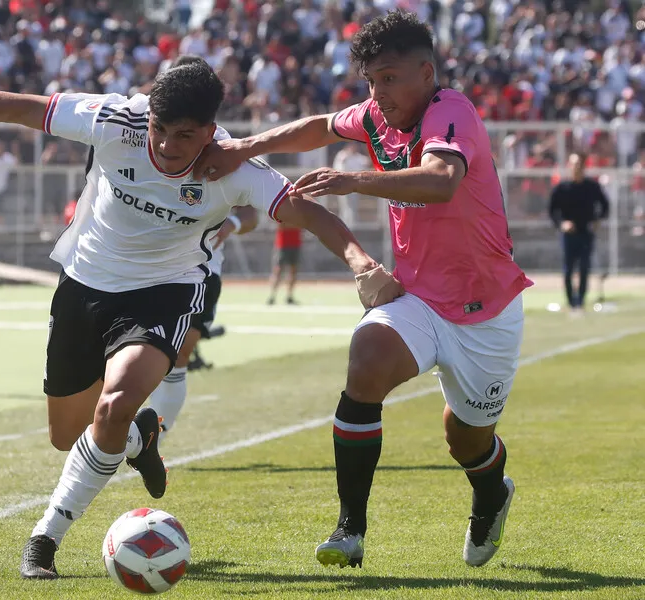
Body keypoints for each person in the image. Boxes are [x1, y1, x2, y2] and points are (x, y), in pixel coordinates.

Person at [0, 60, 400, 580]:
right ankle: (137, 440)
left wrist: (364, 266)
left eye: (185, 136)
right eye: (160, 130)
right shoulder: (113, 120)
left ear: (211, 133)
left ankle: (45, 537)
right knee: (67, 434)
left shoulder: (234, 168)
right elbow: (16, 107)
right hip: (83, 284)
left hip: (163, 295)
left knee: (116, 404)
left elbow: (310, 213)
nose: (169, 145)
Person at [194, 10, 533, 569]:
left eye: (391, 78)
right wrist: (244, 147)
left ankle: (492, 491)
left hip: (485, 309)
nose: (380, 91)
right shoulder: (376, 114)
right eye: (372, 80)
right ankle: (350, 529)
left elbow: (441, 183)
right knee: (367, 360)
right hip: (418, 296)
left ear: (425, 72)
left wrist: (353, 180)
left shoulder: (454, 113)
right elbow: (321, 126)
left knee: (466, 440)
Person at [149, 203, 258, 435]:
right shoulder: (152, 166)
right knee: (146, 354)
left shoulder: (229, 168)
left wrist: (232, 223)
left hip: (203, 273)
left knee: (179, 354)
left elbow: (251, 215)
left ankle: (155, 439)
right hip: (153, 270)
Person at [548, 153, 609, 311]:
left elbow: (605, 205)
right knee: (568, 269)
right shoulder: (562, 188)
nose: (576, 168)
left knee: (584, 267)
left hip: (586, 233)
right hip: (569, 234)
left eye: (579, 165)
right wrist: (562, 224)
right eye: (574, 165)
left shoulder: (591, 187)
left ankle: (580, 301)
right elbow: (552, 210)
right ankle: (571, 302)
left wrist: (597, 220)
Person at [267, 223, 302, 305]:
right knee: (278, 271)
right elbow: (281, 226)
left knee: (293, 271)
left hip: (295, 244)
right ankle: (272, 296)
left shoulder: (299, 212)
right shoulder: (283, 212)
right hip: (282, 245)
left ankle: (289, 297)